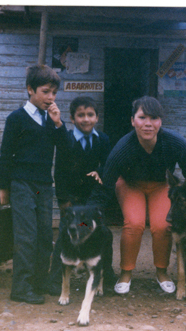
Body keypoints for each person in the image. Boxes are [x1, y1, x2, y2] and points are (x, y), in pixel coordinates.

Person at [88, 96, 186, 294]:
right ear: (132, 121)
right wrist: (90, 211)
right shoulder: (123, 148)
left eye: (154, 118)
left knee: (163, 224)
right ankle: (126, 272)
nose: (148, 124)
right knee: (134, 222)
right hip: (130, 185)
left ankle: (162, 272)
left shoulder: (174, 142)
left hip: (160, 186)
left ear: (160, 121)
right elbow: (107, 182)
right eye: (142, 117)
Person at [0, 65, 67, 304]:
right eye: (46, 91)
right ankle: (21, 287)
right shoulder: (16, 119)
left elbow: (66, 148)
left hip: (43, 186)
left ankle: (38, 282)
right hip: (22, 185)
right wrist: (4, 189)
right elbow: (5, 156)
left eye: (54, 93)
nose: (51, 97)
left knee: (44, 233)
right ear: (30, 90)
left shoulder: (51, 119)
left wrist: (58, 123)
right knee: (26, 235)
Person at [47, 96, 117, 295]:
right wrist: (63, 200)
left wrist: (100, 172)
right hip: (72, 199)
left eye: (90, 115)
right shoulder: (66, 139)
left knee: (102, 234)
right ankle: (55, 280)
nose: (86, 119)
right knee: (64, 236)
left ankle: (106, 276)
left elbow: (108, 165)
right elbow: (59, 171)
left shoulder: (102, 139)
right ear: (72, 118)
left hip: (93, 200)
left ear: (96, 118)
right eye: (81, 115)